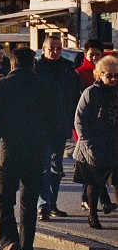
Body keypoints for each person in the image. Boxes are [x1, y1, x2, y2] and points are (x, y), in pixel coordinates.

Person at [0, 46, 57, 250]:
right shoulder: (44, 87)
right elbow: (53, 119)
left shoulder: (0, 85)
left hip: (8, 149)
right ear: (33, 64)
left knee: (4, 199)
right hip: (35, 151)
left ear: (12, 64)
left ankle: (8, 241)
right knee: (29, 201)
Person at [34, 34, 82, 222]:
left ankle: (52, 204)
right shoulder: (36, 68)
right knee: (44, 168)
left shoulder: (68, 68)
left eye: (58, 48)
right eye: (51, 48)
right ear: (44, 49)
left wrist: (72, 122)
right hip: (41, 126)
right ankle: (43, 206)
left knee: (57, 168)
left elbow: (74, 98)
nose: (55, 52)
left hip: (60, 126)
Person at [73, 55, 118, 229]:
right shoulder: (92, 92)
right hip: (95, 144)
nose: (113, 79)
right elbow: (80, 120)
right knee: (95, 182)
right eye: (109, 75)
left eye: (116, 75)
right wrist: (89, 144)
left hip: (114, 142)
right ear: (99, 75)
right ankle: (92, 214)